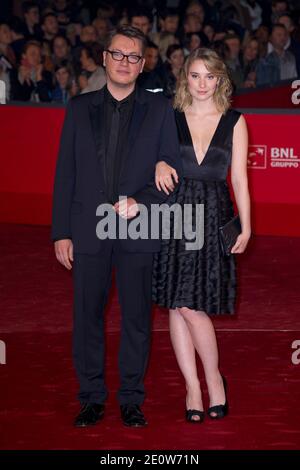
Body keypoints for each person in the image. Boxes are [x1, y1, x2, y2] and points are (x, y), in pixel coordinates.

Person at [52, 25, 182, 428]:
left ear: (143, 65)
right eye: (118, 54)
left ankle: (131, 398)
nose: (125, 62)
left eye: (133, 57)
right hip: (87, 229)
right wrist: (61, 232)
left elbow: (171, 173)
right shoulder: (77, 108)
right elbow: (65, 175)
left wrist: (141, 201)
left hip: (138, 228)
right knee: (87, 317)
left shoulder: (161, 111)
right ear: (105, 58)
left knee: (137, 320)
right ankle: (91, 397)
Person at [152, 48, 251, 423]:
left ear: (220, 79)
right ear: (185, 79)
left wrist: (247, 223)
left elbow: (239, 179)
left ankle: (214, 380)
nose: (203, 84)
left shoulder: (234, 121)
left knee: (193, 306)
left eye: (210, 76)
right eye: (195, 75)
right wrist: (160, 161)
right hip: (174, 213)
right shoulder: (170, 116)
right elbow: (151, 156)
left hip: (213, 216)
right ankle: (194, 385)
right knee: (178, 304)